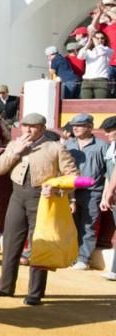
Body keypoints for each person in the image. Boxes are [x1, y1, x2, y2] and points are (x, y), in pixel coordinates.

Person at [0, 113, 78, 306]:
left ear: (42, 128)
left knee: (39, 243)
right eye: (25, 126)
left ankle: (35, 293)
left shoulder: (55, 148)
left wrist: (56, 186)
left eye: (33, 126)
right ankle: (5, 287)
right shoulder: (14, 145)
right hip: (17, 196)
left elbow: (73, 176)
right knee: (11, 241)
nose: (28, 130)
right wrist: (16, 152)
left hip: (42, 199)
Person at [63, 114, 107, 270]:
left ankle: (84, 258)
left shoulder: (102, 146)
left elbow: (108, 172)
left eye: (80, 125)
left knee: (88, 225)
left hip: (92, 192)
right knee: (70, 225)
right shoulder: (68, 144)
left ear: (90, 127)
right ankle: (72, 256)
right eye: (73, 125)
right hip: (69, 191)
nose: (75, 128)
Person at [95, 115, 116, 281]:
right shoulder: (111, 147)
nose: (107, 134)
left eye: (110, 131)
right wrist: (104, 196)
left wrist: (109, 193)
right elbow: (109, 176)